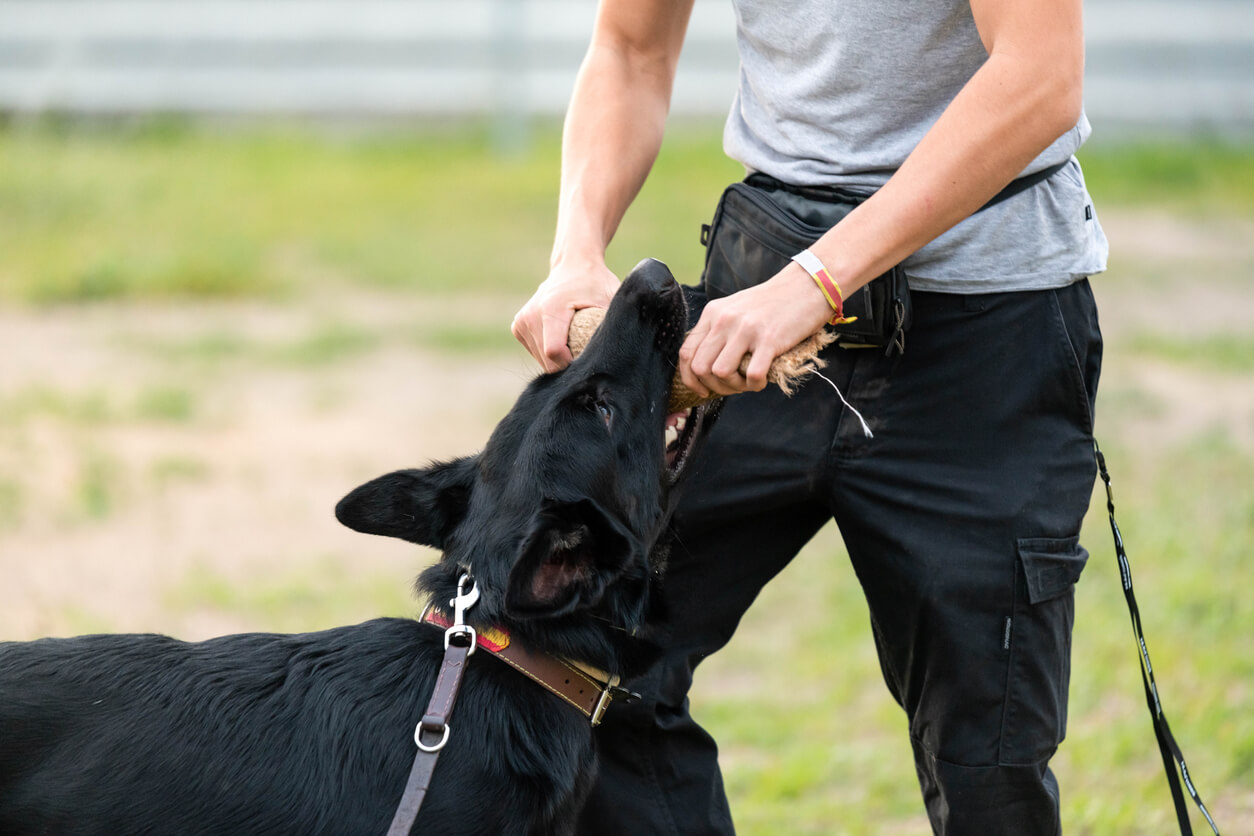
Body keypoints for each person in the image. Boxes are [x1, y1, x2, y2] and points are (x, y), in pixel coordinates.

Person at [511, 0, 1108, 833]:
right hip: (752, 319)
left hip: (984, 336)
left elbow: (1040, 77)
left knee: (989, 763)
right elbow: (630, 47)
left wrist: (817, 280)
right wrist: (576, 250)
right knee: (573, 656)